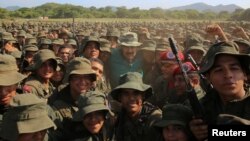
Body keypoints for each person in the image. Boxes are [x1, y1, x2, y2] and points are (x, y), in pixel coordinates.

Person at [189, 41, 250, 140]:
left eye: (234, 68)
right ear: (208, 78)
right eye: (219, 70)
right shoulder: (203, 106)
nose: (228, 75)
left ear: (245, 74)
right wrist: (193, 133)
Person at [50, 57, 97, 140]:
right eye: (77, 77)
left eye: (86, 77)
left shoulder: (97, 98)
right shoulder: (57, 107)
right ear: (69, 79)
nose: (82, 81)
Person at [111, 72, 162, 141]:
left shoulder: (154, 119)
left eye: (136, 93)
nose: (131, 98)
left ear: (143, 96)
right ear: (120, 97)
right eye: (126, 93)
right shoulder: (119, 119)